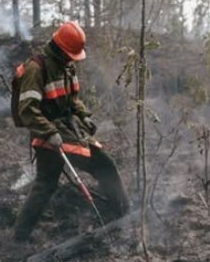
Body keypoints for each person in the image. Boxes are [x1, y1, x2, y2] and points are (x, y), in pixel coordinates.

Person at [12, 21, 129, 243]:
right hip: (49, 134)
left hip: (66, 129)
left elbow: (72, 100)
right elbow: (27, 110)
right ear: (59, 48)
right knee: (102, 165)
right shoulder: (36, 69)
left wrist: (84, 115)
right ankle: (124, 214)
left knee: (45, 185)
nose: (71, 59)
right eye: (69, 54)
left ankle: (19, 237)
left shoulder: (67, 67)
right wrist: (49, 132)